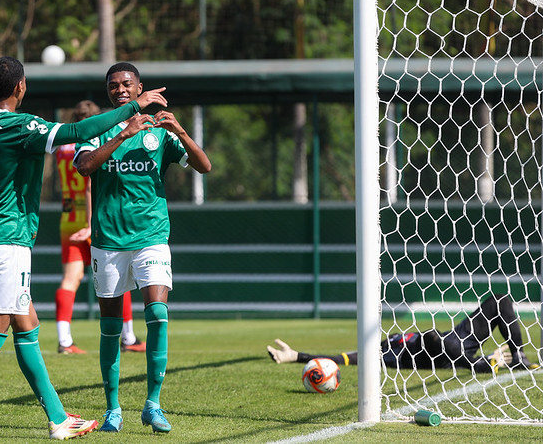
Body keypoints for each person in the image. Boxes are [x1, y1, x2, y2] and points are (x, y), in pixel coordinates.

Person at [0, 56, 167, 441]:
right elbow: (79, 130)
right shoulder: (21, 126)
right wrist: (132, 107)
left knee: (27, 327)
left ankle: (59, 419)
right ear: (21, 87)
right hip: (6, 240)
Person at [73, 62, 212, 434]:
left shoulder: (157, 134)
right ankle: (113, 409)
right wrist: (122, 133)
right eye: (114, 85)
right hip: (108, 240)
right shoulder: (97, 129)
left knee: (157, 313)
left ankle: (153, 403)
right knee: (110, 327)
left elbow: (204, 166)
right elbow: (85, 167)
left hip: (151, 235)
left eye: (126, 83)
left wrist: (179, 130)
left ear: (140, 87)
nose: (120, 89)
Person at [54, 99, 144, 354]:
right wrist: (91, 224)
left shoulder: (63, 148)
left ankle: (64, 340)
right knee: (119, 276)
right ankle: (128, 339)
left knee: (70, 279)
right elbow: (91, 184)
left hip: (68, 218)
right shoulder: (97, 143)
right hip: (96, 217)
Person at [266, 293, 540, 373]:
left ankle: (519, 356)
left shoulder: (391, 340)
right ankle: (486, 364)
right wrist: (297, 356)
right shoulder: (384, 354)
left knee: (500, 301)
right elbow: (341, 358)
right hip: (441, 351)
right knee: (432, 337)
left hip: (456, 339)